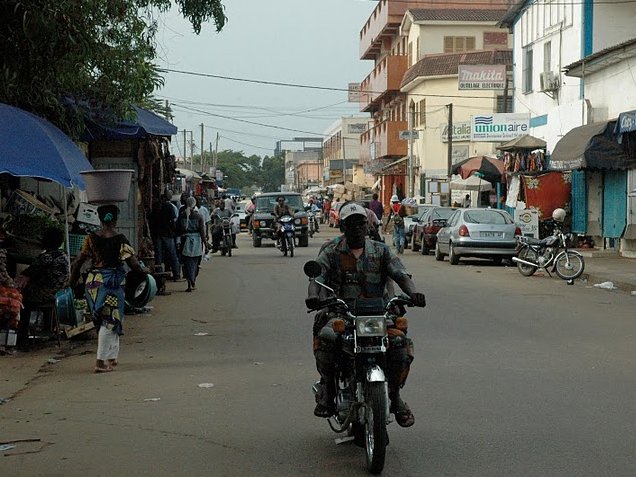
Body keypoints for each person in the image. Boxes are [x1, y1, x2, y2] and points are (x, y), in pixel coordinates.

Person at [306, 202, 426, 427]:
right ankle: (328, 390)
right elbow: (317, 279)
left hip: (377, 315)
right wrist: (314, 296)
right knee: (326, 338)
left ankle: (395, 397)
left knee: (399, 343)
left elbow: (400, 274)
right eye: (351, 224)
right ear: (343, 226)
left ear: (367, 225)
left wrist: (414, 292)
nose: (357, 228)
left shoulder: (380, 250)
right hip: (341, 313)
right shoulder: (331, 251)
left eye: (361, 223)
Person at [68, 205, 148, 373]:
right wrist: (144, 271)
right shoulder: (120, 239)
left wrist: (71, 282)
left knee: (103, 318)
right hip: (111, 284)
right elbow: (133, 264)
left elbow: (78, 262)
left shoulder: (90, 238)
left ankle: (112, 356)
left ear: (100, 219)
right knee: (109, 320)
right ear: (116, 220)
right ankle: (100, 362)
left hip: (93, 284)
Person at [16, 226, 69, 345]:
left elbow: (31, 270)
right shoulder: (63, 255)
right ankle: (48, 328)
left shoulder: (46, 257)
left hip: (46, 293)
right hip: (59, 292)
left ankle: (22, 334)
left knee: (21, 299)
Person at [177, 197, 207, 292]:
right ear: (194, 204)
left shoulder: (181, 215)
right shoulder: (199, 217)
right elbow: (202, 232)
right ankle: (192, 280)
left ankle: (189, 282)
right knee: (196, 263)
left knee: (186, 263)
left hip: (184, 241)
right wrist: (206, 244)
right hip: (197, 242)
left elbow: (177, 229)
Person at [149, 191, 181, 281]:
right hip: (167, 234)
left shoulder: (155, 206)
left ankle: (159, 275)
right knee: (172, 254)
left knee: (158, 255)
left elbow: (151, 220)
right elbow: (173, 221)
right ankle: (176, 274)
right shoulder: (169, 207)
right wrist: (174, 231)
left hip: (157, 234)